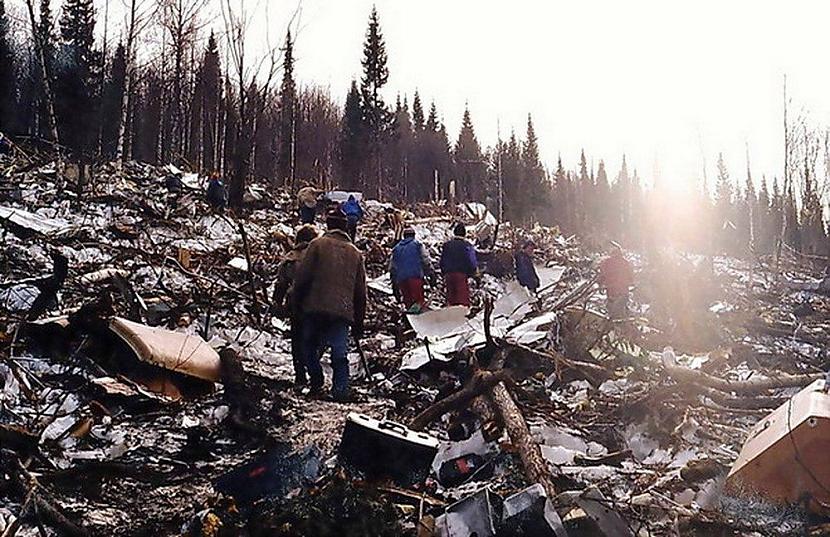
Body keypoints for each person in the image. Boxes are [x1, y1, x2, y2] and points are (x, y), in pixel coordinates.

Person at [293, 209, 367, 402]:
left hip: (315, 306)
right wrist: (359, 322)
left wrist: (296, 303)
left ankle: (316, 382)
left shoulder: (317, 245)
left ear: (328, 225)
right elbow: (360, 292)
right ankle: (341, 390)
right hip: (342, 311)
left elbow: (302, 278)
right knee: (339, 353)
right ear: (345, 227)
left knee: (308, 346)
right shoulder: (355, 253)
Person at [271, 224, 319, 387]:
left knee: (297, 341)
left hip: (295, 305)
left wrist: (277, 302)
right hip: (316, 304)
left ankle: (300, 375)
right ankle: (314, 373)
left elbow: (281, 284)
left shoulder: (290, 258)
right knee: (313, 340)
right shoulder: (318, 256)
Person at [390, 227, 434, 313]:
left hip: (402, 279)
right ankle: (419, 321)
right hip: (415, 277)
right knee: (418, 302)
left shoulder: (396, 249)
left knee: (408, 302)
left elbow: (392, 267)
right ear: (414, 235)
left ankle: (410, 320)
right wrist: (430, 272)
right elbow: (425, 259)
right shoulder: (417, 245)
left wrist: (394, 283)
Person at [440, 223, 478, 307]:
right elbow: (472, 261)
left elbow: (442, 260)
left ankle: (450, 316)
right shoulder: (467, 246)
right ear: (464, 234)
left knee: (451, 298)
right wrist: (474, 272)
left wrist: (444, 271)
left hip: (449, 275)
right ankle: (461, 317)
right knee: (462, 300)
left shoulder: (447, 245)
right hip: (461, 275)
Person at [599, 242, 634, 319]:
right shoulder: (626, 263)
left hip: (611, 292)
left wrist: (600, 286)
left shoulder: (606, 262)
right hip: (623, 292)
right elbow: (631, 278)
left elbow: (602, 276)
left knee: (612, 314)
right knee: (621, 313)